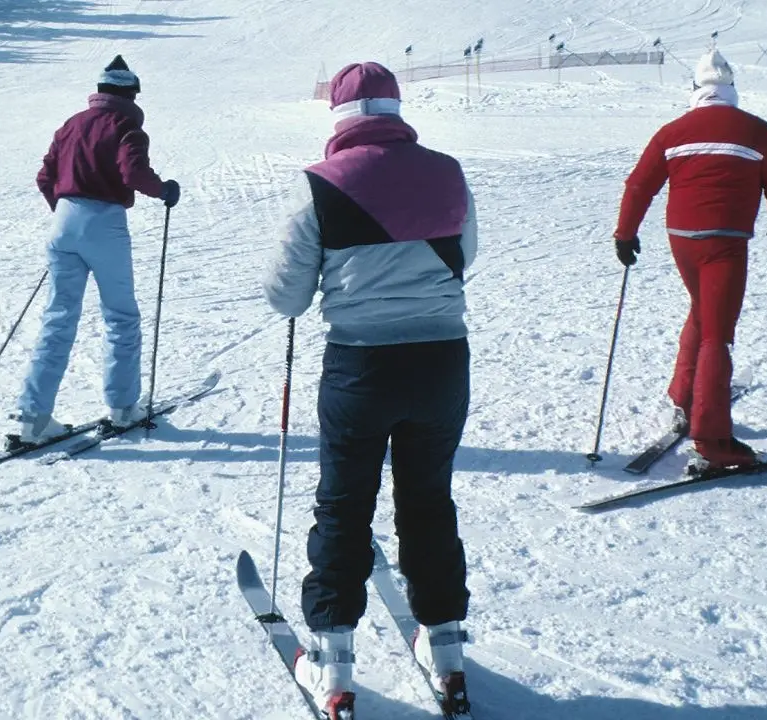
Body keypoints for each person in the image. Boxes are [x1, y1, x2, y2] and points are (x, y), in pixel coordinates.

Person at [263, 61, 477, 720]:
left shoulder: (319, 185)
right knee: (429, 500)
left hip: (360, 367)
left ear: (338, 117)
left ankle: (334, 665)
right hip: (442, 361)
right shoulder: (448, 171)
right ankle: (446, 650)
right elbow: (464, 255)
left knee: (344, 506)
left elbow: (286, 295)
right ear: (396, 110)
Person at [614, 48, 767, 469]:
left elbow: (639, 185)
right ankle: (713, 441)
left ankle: (685, 396)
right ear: (732, 88)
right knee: (718, 332)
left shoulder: (673, 130)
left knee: (703, 311)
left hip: (682, 239)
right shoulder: (756, 130)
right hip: (726, 242)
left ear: (695, 89)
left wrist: (625, 235)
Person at [15, 55, 181, 443]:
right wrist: (164, 190)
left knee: (58, 318)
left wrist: (65, 212)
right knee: (120, 316)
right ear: (130, 94)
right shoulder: (126, 126)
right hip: (104, 224)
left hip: (63, 222)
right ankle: (123, 409)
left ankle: (33, 418)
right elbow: (133, 173)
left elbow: (45, 176)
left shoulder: (71, 124)